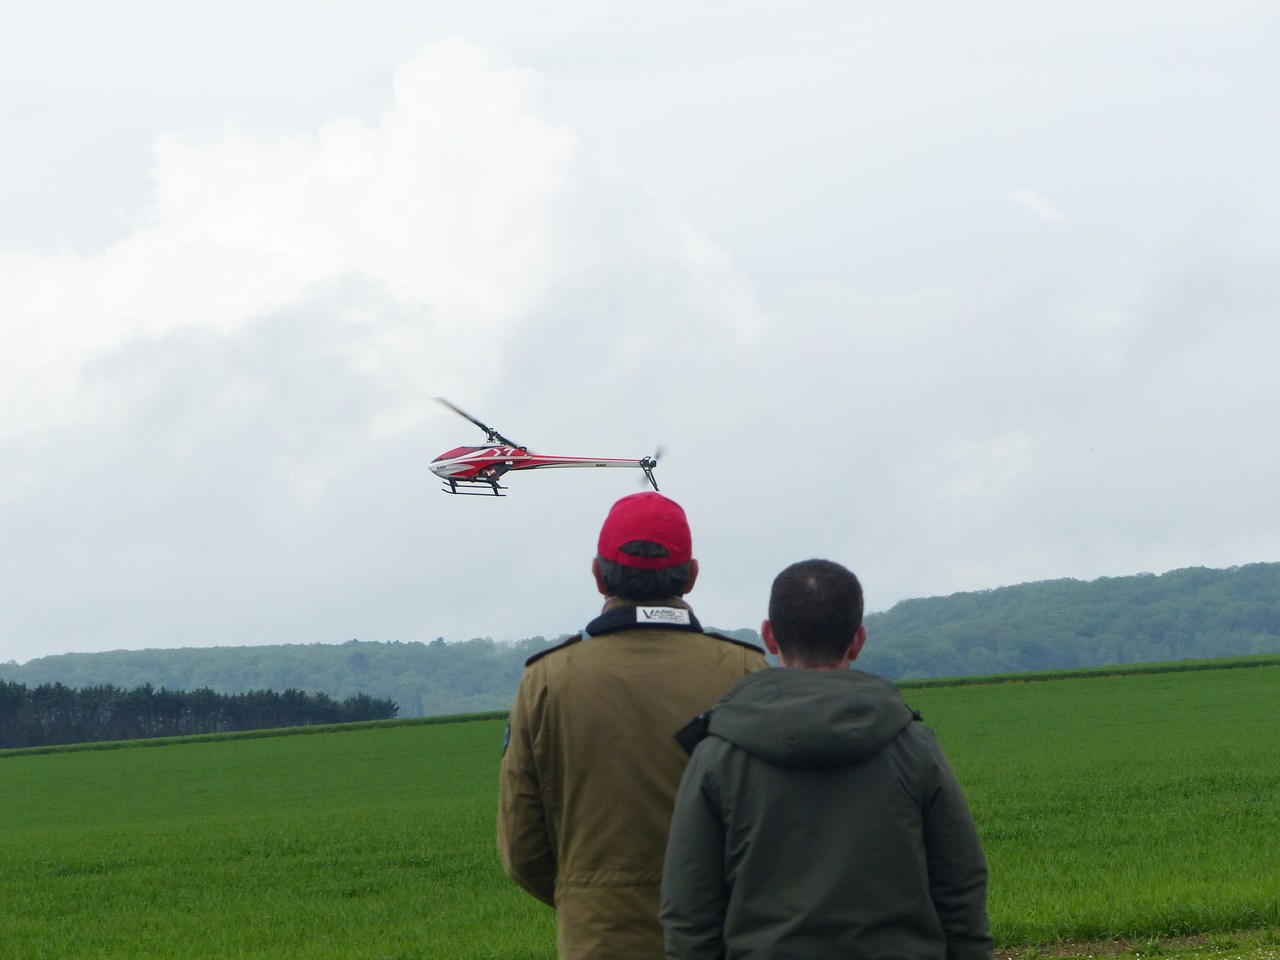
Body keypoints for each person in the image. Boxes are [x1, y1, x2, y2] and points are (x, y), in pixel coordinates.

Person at [660, 559, 993, 960]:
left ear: (769, 636)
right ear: (858, 640)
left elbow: (690, 913)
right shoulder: (914, 747)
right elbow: (961, 890)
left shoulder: (717, 756)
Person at [497, 492, 770, 960]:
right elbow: (774, 828)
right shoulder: (747, 672)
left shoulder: (547, 679)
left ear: (598, 575)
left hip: (598, 938)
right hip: (724, 940)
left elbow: (522, 849)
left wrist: (590, 900)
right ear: (692, 575)